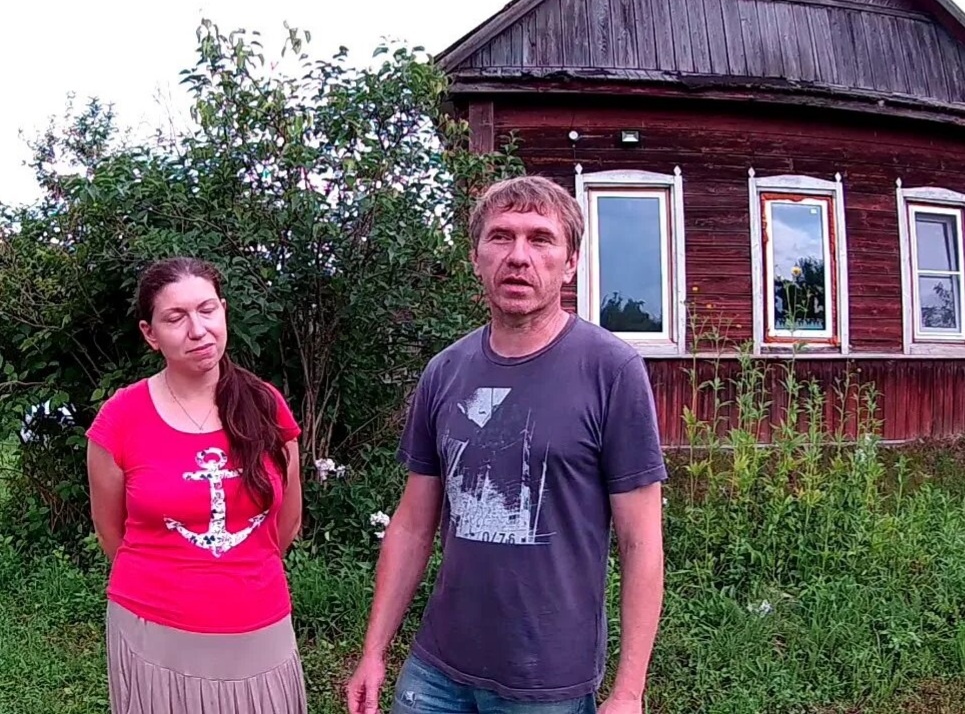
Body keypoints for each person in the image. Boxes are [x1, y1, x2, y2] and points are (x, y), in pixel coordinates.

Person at [346, 175, 667, 714]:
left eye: (540, 239)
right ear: (476, 258)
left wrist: (628, 692)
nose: (519, 256)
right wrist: (374, 651)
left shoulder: (611, 371)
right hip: (436, 671)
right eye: (501, 236)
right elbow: (412, 524)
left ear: (570, 263)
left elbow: (641, 543)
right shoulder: (445, 371)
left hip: (548, 683)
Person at [86, 256, 308, 713]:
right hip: (153, 632)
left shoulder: (266, 406)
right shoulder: (121, 418)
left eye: (207, 310)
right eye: (175, 318)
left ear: (223, 311)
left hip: (259, 626)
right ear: (150, 334)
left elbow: (286, 524)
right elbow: (112, 534)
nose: (198, 330)